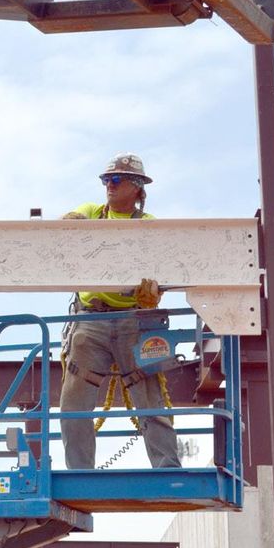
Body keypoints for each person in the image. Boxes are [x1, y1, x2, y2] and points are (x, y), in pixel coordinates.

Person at [58, 152, 180, 469]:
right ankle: (79, 471)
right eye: (106, 180)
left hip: (133, 321)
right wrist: (72, 226)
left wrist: (156, 292)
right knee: (74, 400)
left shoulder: (148, 227)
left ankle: (167, 466)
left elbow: (167, 266)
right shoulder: (92, 212)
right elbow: (66, 226)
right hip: (91, 319)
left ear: (137, 188)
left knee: (149, 393)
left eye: (115, 180)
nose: (108, 186)